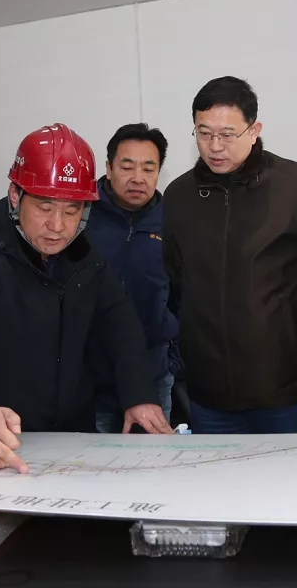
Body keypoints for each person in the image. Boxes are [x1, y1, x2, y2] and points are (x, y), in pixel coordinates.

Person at [0, 123, 171, 474]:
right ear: (16, 196)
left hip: (77, 435)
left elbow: (119, 322)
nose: (57, 226)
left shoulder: (86, 257)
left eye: (72, 211)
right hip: (8, 440)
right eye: (44, 207)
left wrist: (139, 395)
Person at [163, 76, 297, 434]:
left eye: (227, 134)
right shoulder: (179, 196)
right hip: (208, 392)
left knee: (291, 471)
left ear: (254, 130)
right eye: (203, 133)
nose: (215, 146)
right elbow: (175, 283)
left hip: (283, 388)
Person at [87, 123, 180, 432]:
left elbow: (185, 295)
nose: (138, 178)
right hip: (92, 378)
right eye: (127, 167)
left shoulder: (173, 220)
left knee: (152, 458)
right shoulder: (80, 215)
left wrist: (173, 361)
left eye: (149, 169)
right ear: (108, 168)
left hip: (154, 375)